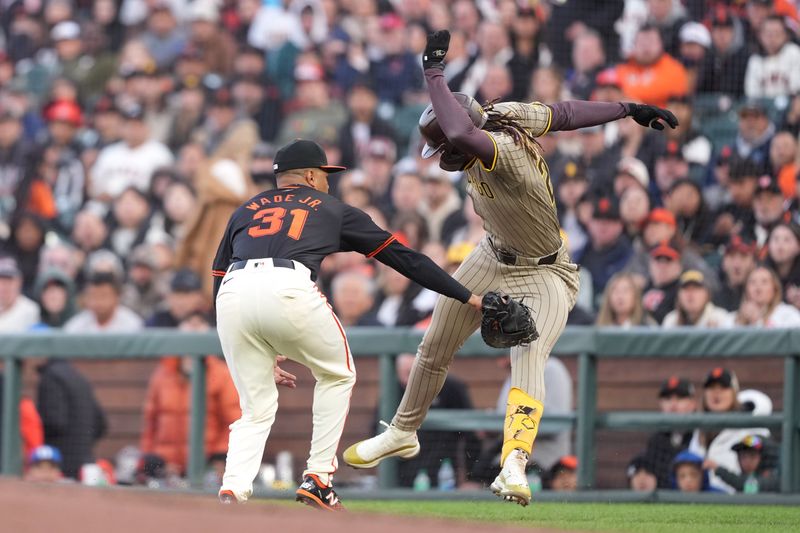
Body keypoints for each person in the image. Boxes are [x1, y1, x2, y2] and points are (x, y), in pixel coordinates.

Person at [343, 30, 678, 507]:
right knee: (435, 343)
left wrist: (433, 72)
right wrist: (626, 108)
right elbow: (565, 114)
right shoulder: (503, 114)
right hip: (492, 252)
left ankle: (515, 462)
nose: (441, 161)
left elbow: (459, 132)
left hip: (545, 270)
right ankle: (402, 431)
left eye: (442, 152)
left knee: (529, 352)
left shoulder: (506, 156)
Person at [211, 139, 483, 510]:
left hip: (232, 294)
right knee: (338, 374)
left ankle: (233, 489)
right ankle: (319, 477)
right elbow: (403, 258)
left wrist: (252, 343)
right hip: (287, 286)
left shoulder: (245, 209)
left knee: (255, 409)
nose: (328, 182)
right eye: (325, 175)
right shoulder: (331, 207)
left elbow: (218, 272)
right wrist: (467, 295)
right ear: (310, 175)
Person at [140, 313, 240, 475]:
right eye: (188, 322)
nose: (193, 327)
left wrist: (218, 458)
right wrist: (151, 458)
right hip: (165, 469)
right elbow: (151, 423)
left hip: (207, 467)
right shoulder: (162, 374)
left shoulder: (222, 374)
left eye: (199, 323)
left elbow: (233, 422)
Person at [688, 368, 770, 493]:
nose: (716, 393)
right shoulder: (699, 430)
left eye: (723, 388)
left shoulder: (751, 425)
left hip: (740, 500)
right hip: (701, 502)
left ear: (734, 392)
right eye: (711, 388)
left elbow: (762, 455)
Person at [37, 358, 107, 479]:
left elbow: (54, 421)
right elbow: (101, 424)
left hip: (58, 465)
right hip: (85, 463)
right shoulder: (80, 378)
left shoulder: (51, 377)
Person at [643, 376, 696, 488]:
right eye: (667, 399)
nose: (673, 405)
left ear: (692, 404)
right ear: (661, 404)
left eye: (680, 398)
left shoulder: (700, 435)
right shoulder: (656, 439)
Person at [706, 435, 780, 493]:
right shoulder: (747, 477)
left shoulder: (773, 479)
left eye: (752, 456)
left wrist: (718, 469)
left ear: (765, 458)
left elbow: (744, 485)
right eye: (743, 456)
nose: (747, 461)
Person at [734, 266, 800, 327]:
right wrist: (740, 322)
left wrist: (757, 321)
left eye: (764, 282)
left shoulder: (788, 314)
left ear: (774, 289)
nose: (758, 286)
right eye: (753, 282)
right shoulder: (735, 317)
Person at [662, 270, 732, 328]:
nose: (690, 294)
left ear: (707, 294)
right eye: (686, 289)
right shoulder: (671, 320)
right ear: (678, 295)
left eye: (696, 288)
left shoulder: (720, 318)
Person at [0, 255, 40, 332]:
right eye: (1, 280)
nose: (4, 285)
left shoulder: (30, 310)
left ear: (19, 282)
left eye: (9, 280)